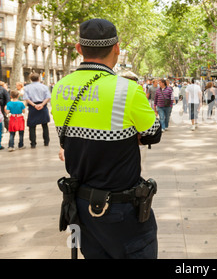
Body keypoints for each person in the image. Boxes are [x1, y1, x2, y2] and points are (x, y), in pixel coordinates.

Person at [51, 18, 162, 259]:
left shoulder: (60, 87)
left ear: (79, 49)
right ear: (117, 48)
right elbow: (154, 133)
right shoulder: (127, 89)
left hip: (81, 208)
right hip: (122, 211)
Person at [23, 73, 51, 148]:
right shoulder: (44, 87)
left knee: (32, 126)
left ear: (30, 79)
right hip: (43, 106)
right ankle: (46, 141)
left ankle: (33, 143)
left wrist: (34, 105)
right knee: (44, 125)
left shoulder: (27, 87)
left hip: (33, 107)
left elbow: (26, 98)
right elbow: (48, 97)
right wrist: (42, 104)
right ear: (39, 78)